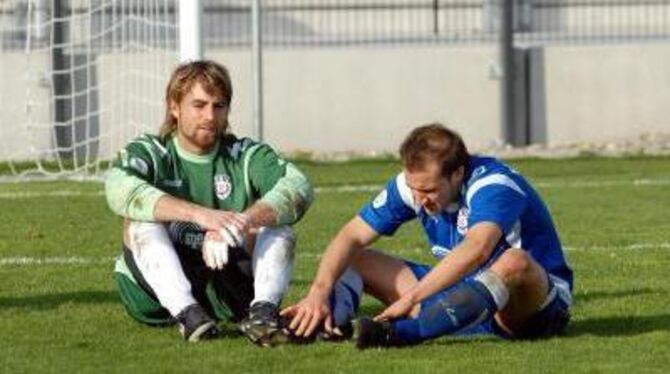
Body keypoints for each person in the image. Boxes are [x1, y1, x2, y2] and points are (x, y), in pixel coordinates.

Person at [281, 123, 572, 348]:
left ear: (457, 174)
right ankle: (324, 322)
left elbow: (478, 249)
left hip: (531, 309)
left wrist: (412, 299)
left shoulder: (493, 184)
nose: (420, 200)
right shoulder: (414, 185)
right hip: (462, 299)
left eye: (430, 191)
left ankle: (403, 334)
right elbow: (351, 235)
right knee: (354, 259)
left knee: (514, 262)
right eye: (414, 189)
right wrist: (316, 293)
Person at [105, 60, 313, 346]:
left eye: (219, 106)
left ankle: (263, 312)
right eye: (199, 105)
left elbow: (298, 186)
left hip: (225, 282)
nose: (210, 116)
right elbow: (118, 187)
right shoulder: (152, 151)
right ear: (174, 107)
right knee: (139, 221)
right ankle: (186, 313)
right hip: (152, 295)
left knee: (279, 227)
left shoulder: (243, 154)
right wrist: (202, 216)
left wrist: (239, 223)